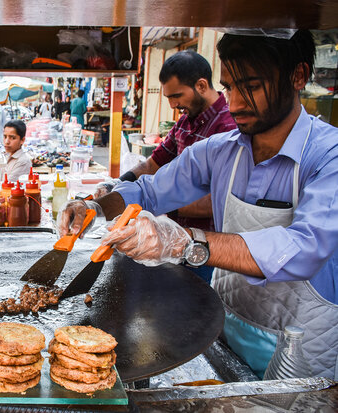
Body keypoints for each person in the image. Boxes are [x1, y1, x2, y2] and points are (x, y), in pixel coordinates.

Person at [59, 30, 338, 380]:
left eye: (250, 86)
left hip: (301, 344)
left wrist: (186, 242)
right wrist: (96, 207)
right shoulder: (221, 151)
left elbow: (306, 247)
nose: (235, 104)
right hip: (228, 325)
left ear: (298, 75)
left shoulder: (329, 155)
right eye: (230, 88)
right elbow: (149, 190)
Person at [97, 50, 237, 283]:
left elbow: (219, 201)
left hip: (208, 249)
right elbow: (154, 162)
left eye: (177, 96)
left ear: (201, 86)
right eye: (169, 97)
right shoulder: (185, 120)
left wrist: (161, 208)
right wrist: (118, 185)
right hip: (175, 243)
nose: (173, 104)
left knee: (199, 308)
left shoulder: (227, 127)